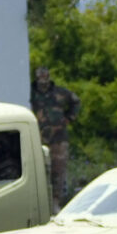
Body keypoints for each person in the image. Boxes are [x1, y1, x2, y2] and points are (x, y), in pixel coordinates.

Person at [31, 65, 81, 195]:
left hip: (58, 138)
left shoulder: (59, 92)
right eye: (40, 76)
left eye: (45, 75)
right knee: (39, 170)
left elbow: (76, 102)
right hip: (37, 138)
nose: (43, 79)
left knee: (58, 170)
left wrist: (69, 118)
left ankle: (56, 201)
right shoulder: (31, 93)